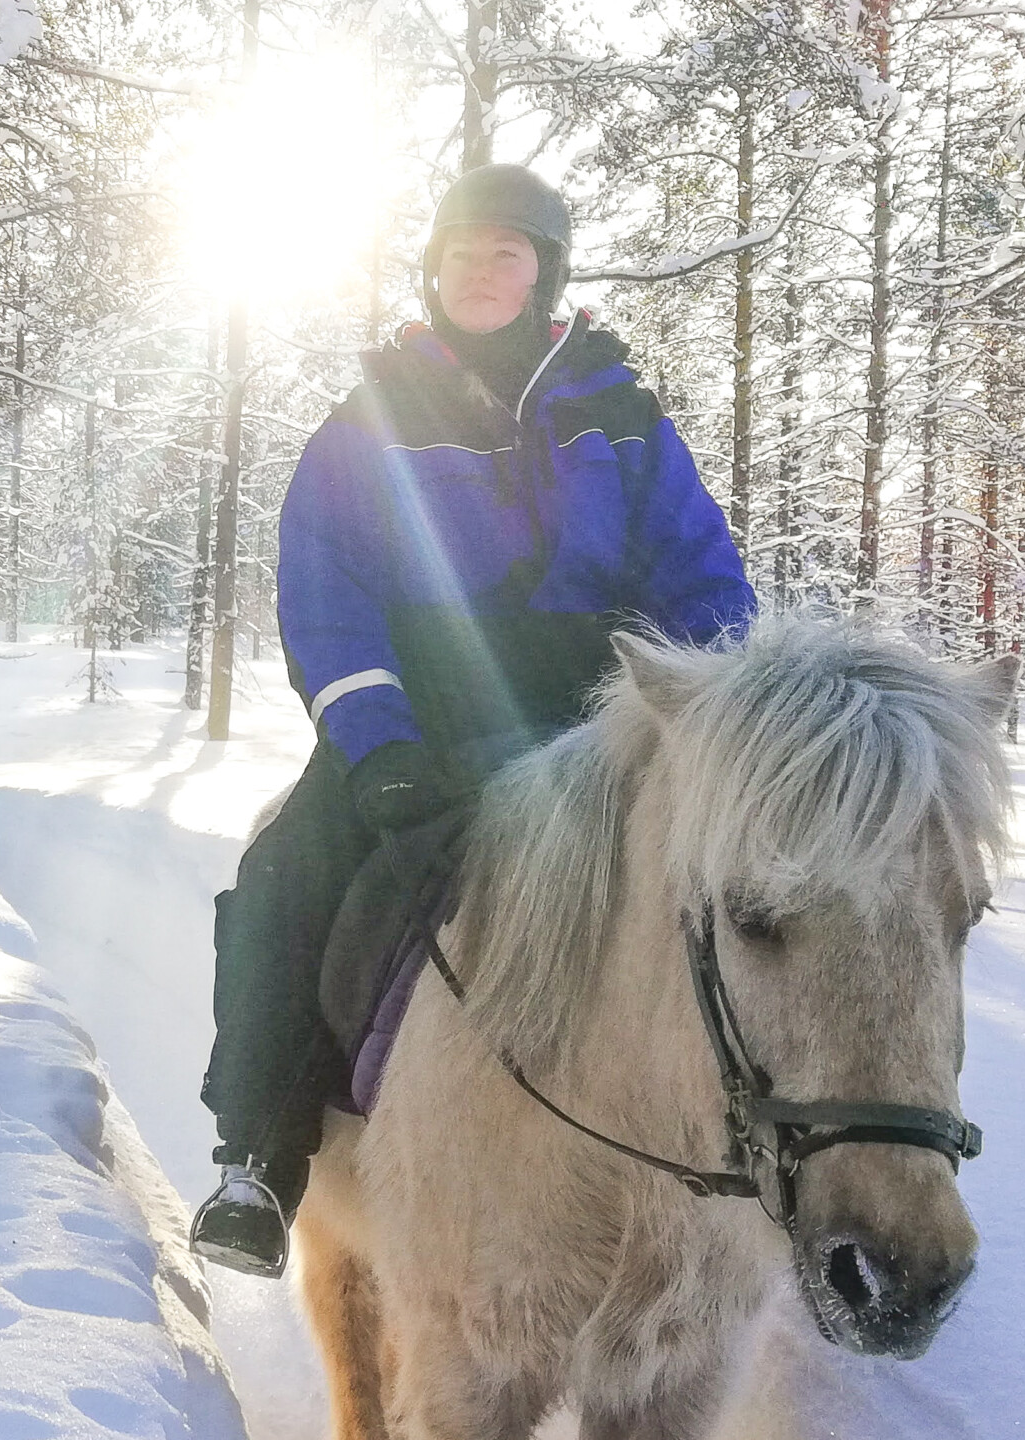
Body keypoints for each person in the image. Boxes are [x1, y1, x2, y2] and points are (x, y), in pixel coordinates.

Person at [187, 164, 757, 1277]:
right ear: (434, 270)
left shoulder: (626, 417)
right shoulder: (367, 422)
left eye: (508, 253)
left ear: (545, 271)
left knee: (760, 893)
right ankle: (259, 1156)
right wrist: (379, 744)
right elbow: (325, 595)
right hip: (424, 717)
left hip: (600, 717)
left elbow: (701, 577)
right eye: (463, 254)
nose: (483, 273)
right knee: (288, 878)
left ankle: (782, 1153)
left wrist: (715, 710)